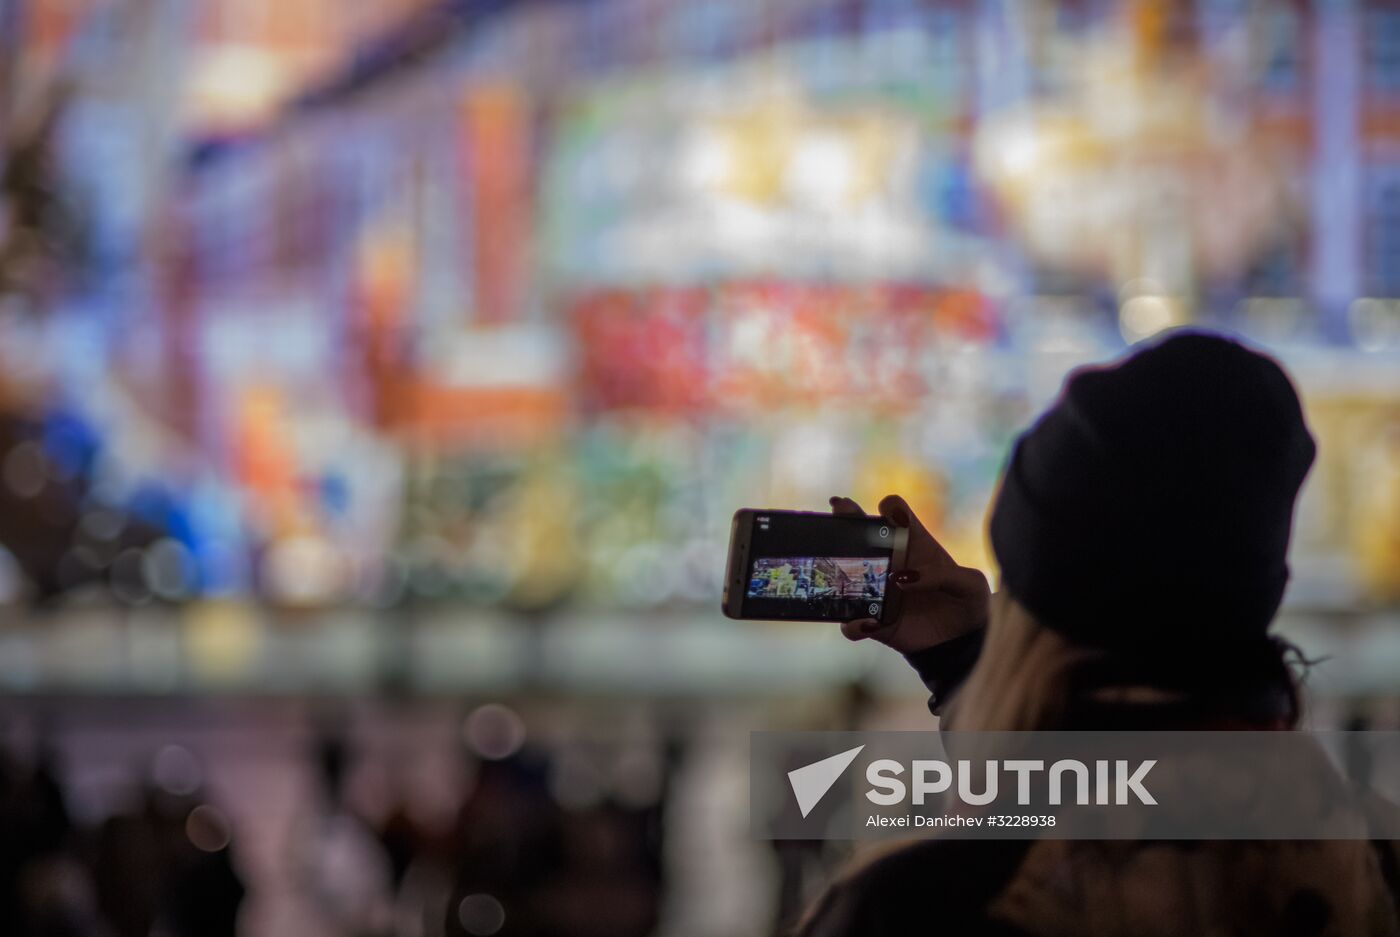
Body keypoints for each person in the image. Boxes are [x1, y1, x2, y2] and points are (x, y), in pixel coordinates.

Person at [798, 331, 1400, 936]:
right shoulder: (1364, 861)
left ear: (1038, 606)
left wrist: (985, 672)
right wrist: (964, 658)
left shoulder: (915, 908)